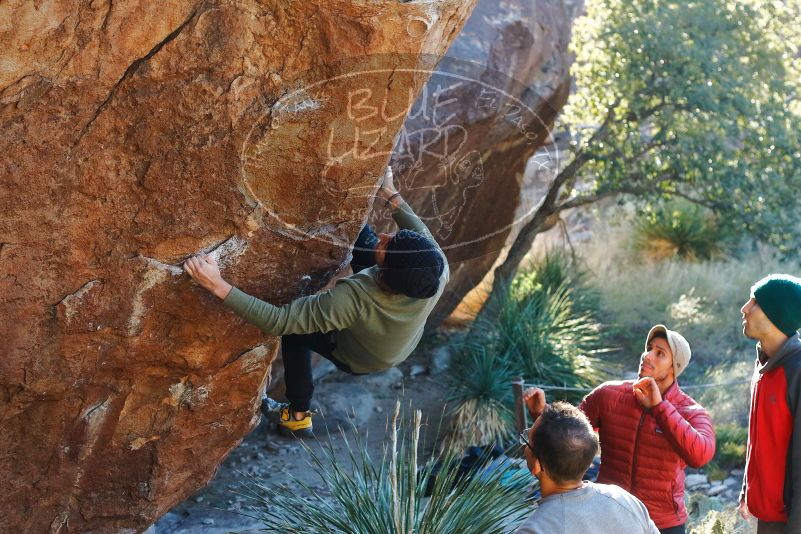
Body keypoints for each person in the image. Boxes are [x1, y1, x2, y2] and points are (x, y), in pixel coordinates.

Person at [183, 167, 448, 436]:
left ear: (387, 273)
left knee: (297, 335)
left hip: (367, 356)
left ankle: (297, 416)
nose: (385, 236)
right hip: (397, 337)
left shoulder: (356, 299)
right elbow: (415, 232)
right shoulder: (434, 266)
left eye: (387, 246)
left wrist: (216, 284)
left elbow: (279, 321)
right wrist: (388, 190)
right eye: (393, 237)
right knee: (361, 236)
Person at [524, 325, 715, 534]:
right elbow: (569, 435)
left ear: (674, 368)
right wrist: (542, 412)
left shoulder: (691, 411)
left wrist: (660, 408)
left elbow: (700, 455)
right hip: (610, 512)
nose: (647, 355)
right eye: (649, 348)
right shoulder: (609, 394)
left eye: (660, 353)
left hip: (665, 523)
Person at [516, 401, 659, 534]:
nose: (526, 440)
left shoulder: (536, 529)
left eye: (527, 439)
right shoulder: (625, 500)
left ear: (536, 466)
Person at [738, 274, 801, 534]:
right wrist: (746, 490)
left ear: (776, 314)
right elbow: (759, 439)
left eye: (755, 301)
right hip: (765, 515)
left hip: (788, 521)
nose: (745, 308)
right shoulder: (764, 363)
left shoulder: (797, 371)